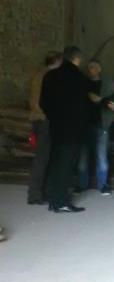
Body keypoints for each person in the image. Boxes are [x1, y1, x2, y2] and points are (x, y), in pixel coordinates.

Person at [40, 46, 89, 213]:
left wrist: (54, 118)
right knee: (67, 166)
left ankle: (53, 200)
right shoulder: (79, 78)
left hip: (56, 127)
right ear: (77, 59)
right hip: (73, 129)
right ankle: (61, 201)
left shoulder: (50, 76)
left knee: (55, 163)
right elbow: (83, 106)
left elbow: (43, 102)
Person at [77, 60, 114, 195]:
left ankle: (103, 185)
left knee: (102, 157)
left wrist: (100, 100)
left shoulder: (109, 85)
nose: (91, 70)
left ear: (99, 69)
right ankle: (81, 184)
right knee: (82, 158)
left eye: (93, 67)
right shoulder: (82, 84)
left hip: (102, 125)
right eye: (89, 67)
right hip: (84, 125)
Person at [27, 50, 62, 205]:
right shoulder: (47, 76)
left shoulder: (40, 74)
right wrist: (49, 117)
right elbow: (40, 101)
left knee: (45, 158)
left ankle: (43, 192)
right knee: (42, 159)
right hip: (44, 120)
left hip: (40, 119)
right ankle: (35, 195)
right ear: (57, 61)